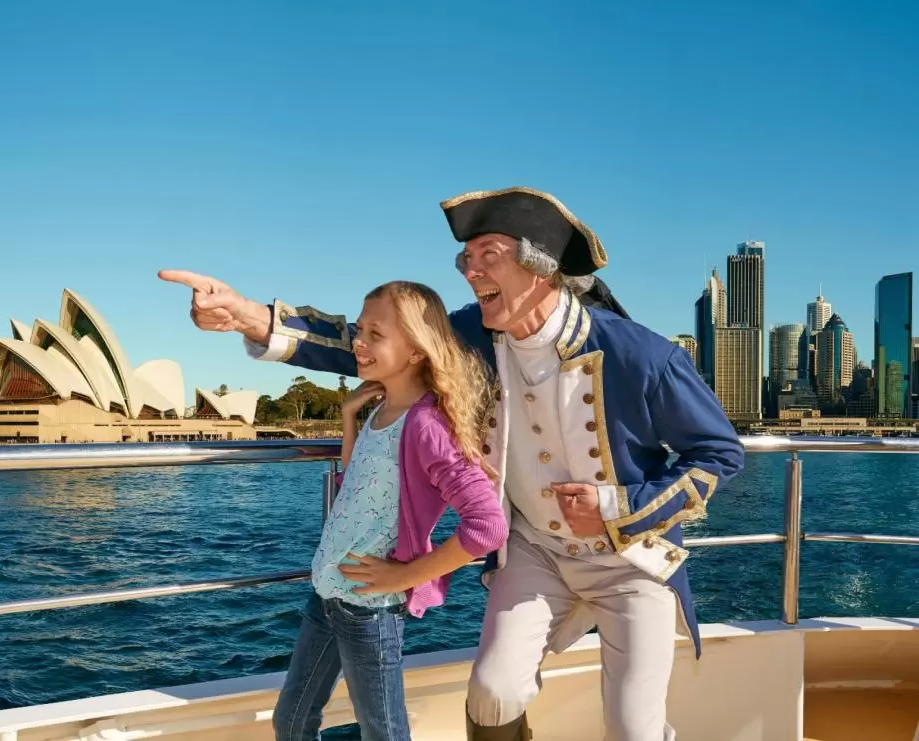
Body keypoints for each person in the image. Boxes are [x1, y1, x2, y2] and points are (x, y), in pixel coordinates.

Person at [159, 186, 745, 741]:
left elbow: (717, 454)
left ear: (541, 270)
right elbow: (363, 342)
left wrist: (618, 507)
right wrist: (246, 316)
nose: (469, 272)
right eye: (465, 259)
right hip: (534, 550)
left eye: (488, 256)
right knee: (491, 692)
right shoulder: (472, 333)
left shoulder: (641, 354)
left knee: (634, 727)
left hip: (630, 560)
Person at [263, 280, 507, 741]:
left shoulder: (429, 424)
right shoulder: (381, 412)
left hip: (369, 609)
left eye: (376, 334)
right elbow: (361, 482)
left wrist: (403, 577)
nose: (358, 341)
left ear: (417, 350)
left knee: (384, 733)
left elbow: (487, 526)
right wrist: (351, 418)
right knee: (291, 722)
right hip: (328, 594)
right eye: (359, 330)